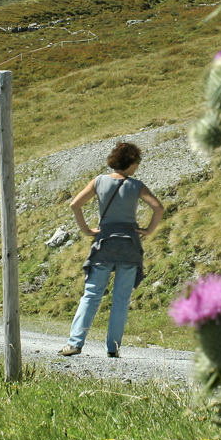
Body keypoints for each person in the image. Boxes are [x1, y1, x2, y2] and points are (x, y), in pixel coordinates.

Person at [59, 141, 163, 357]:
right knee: (122, 299)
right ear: (131, 162)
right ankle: (113, 347)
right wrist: (149, 230)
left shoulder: (99, 181)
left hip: (104, 242)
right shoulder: (136, 185)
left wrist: (87, 230)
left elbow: (75, 204)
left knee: (91, 295)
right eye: (137, 161)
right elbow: (158, 208)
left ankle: (75, 343)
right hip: (129, 244)